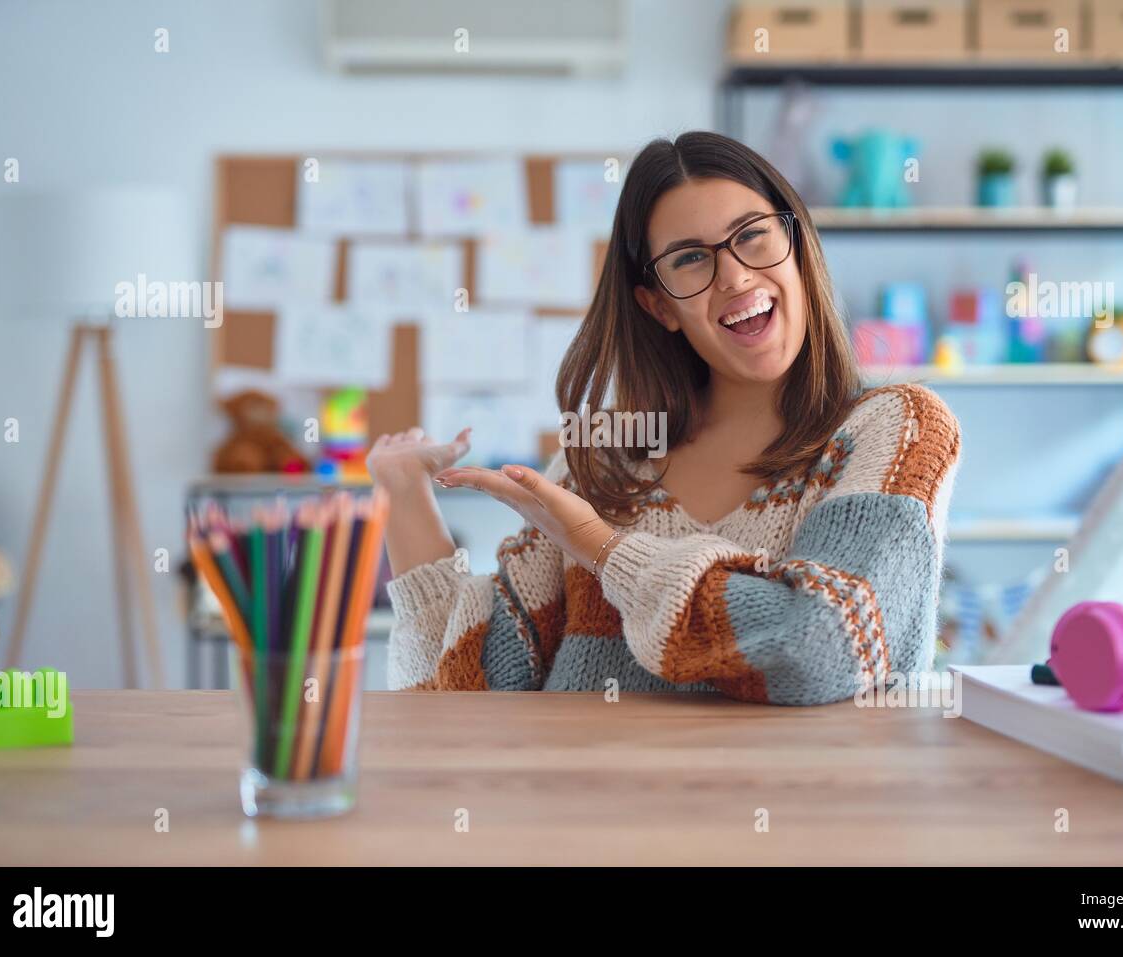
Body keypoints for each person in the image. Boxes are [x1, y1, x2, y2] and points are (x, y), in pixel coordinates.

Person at [366, 130, 961, 705]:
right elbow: (465, 693)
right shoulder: (606, 459)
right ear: (659, 305)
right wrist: (405, 490)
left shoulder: (895, 428)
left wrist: (600, 547)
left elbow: (820, 646)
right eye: (691, 259)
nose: (733, 276)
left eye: (752, 236)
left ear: (799, 246)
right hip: (591, 807)